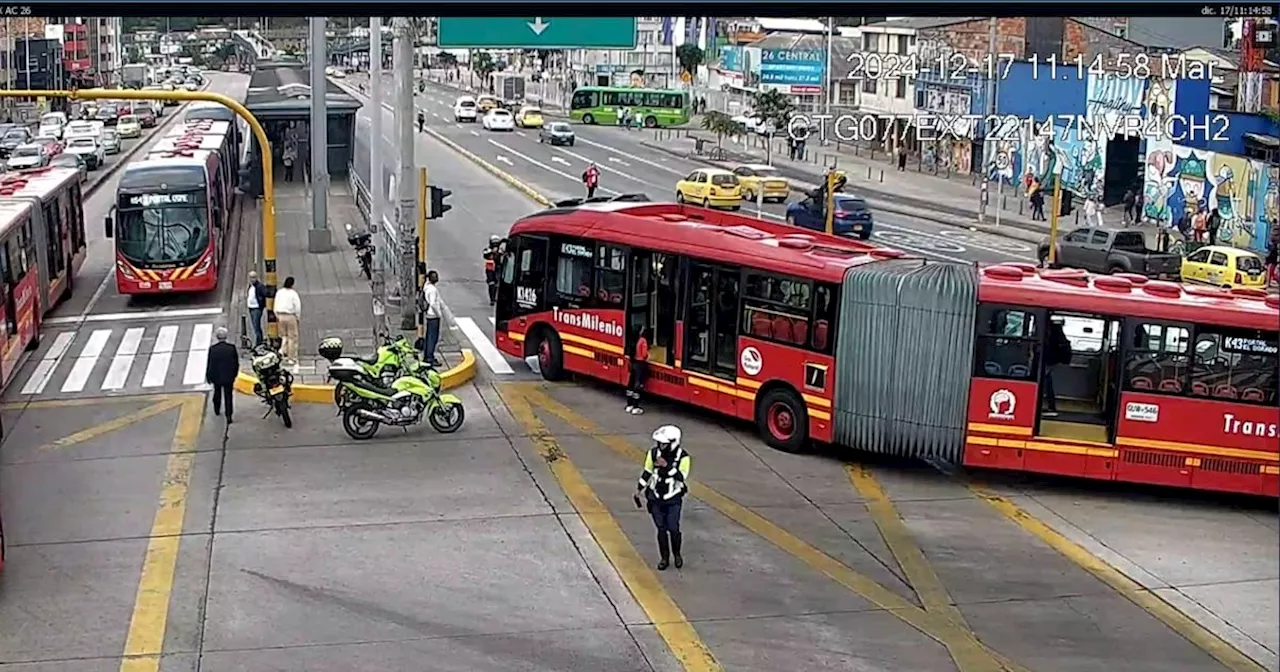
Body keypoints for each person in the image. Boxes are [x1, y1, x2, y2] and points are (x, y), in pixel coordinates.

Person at [633, 425, 691, 570]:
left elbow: (681, 476)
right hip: (655, 497)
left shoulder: (683, 458)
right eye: (659, 443)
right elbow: (647, 471)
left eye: (664, 443)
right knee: (661, 529)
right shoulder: (653, 454)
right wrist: (639, 489)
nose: (661, 446)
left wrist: (667, 466)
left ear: (673, 442)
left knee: (673, 527)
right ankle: (664, 558)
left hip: (673, 498)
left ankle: (677, 554)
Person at [205, 326, 240, 424]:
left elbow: (210, 364)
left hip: (217, 376)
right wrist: (234, 374)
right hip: (229, 376)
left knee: (217, 393)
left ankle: (217, 409)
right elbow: (235, 363)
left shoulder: (213, 349)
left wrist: (209, 376)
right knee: (228, 396)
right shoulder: (231, 348)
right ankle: (229, 415)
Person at [1042, 320, 1072, 418]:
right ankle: (1050, 406)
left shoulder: (1049, 330)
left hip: (1048, 359)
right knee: (1047, 382)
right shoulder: (1055, 329)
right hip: (1052, 359)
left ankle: (1050, 406)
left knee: (1046, 383)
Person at [274, 276, 302, 366]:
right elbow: (297, 307)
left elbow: (275, 304)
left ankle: (282, 351)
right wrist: (297, 318)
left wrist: (277, 316)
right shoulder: (293, 294)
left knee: (284, 336)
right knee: (292, 338)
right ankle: (291, 358)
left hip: (280, 315)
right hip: (290, 316)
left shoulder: (279, 292)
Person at [421, 269, 444, 367]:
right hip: (433, 316)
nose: (437, 278)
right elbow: (433, 304)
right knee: (432, 338)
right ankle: (429, 357)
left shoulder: (427, 287)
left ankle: (427, 355)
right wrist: (439, 314)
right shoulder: (432, 290)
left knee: (429, 336)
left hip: (429, 315)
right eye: (435, 276)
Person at [625, 327, 650, 415]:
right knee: (638, 385)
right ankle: (636, 407)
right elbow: (644, 354)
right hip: (640, 364)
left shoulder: (633, 339)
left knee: (631, 384)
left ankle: (629, 405)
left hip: (633, 363)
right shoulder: (643, 340)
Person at [246, 271, 267, 346]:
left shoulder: (259, 286)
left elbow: (265, 294)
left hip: (256, 308)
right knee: (255, 326)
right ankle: (259, 341)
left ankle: (259, 342)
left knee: (256, 326)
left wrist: (261, 304)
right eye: (251, 277)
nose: (252, 279)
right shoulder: (250, 286)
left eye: (253, 277)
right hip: (251, 308)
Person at [483, 235, 503, 306]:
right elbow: (485, 254)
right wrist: (493, 252)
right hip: (490, 270)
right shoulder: (488, 250)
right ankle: (492, 299)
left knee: (498, 284)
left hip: (498, 268)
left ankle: (497, 298)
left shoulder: (500, 250)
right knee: (491, 284)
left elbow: (504, 254)